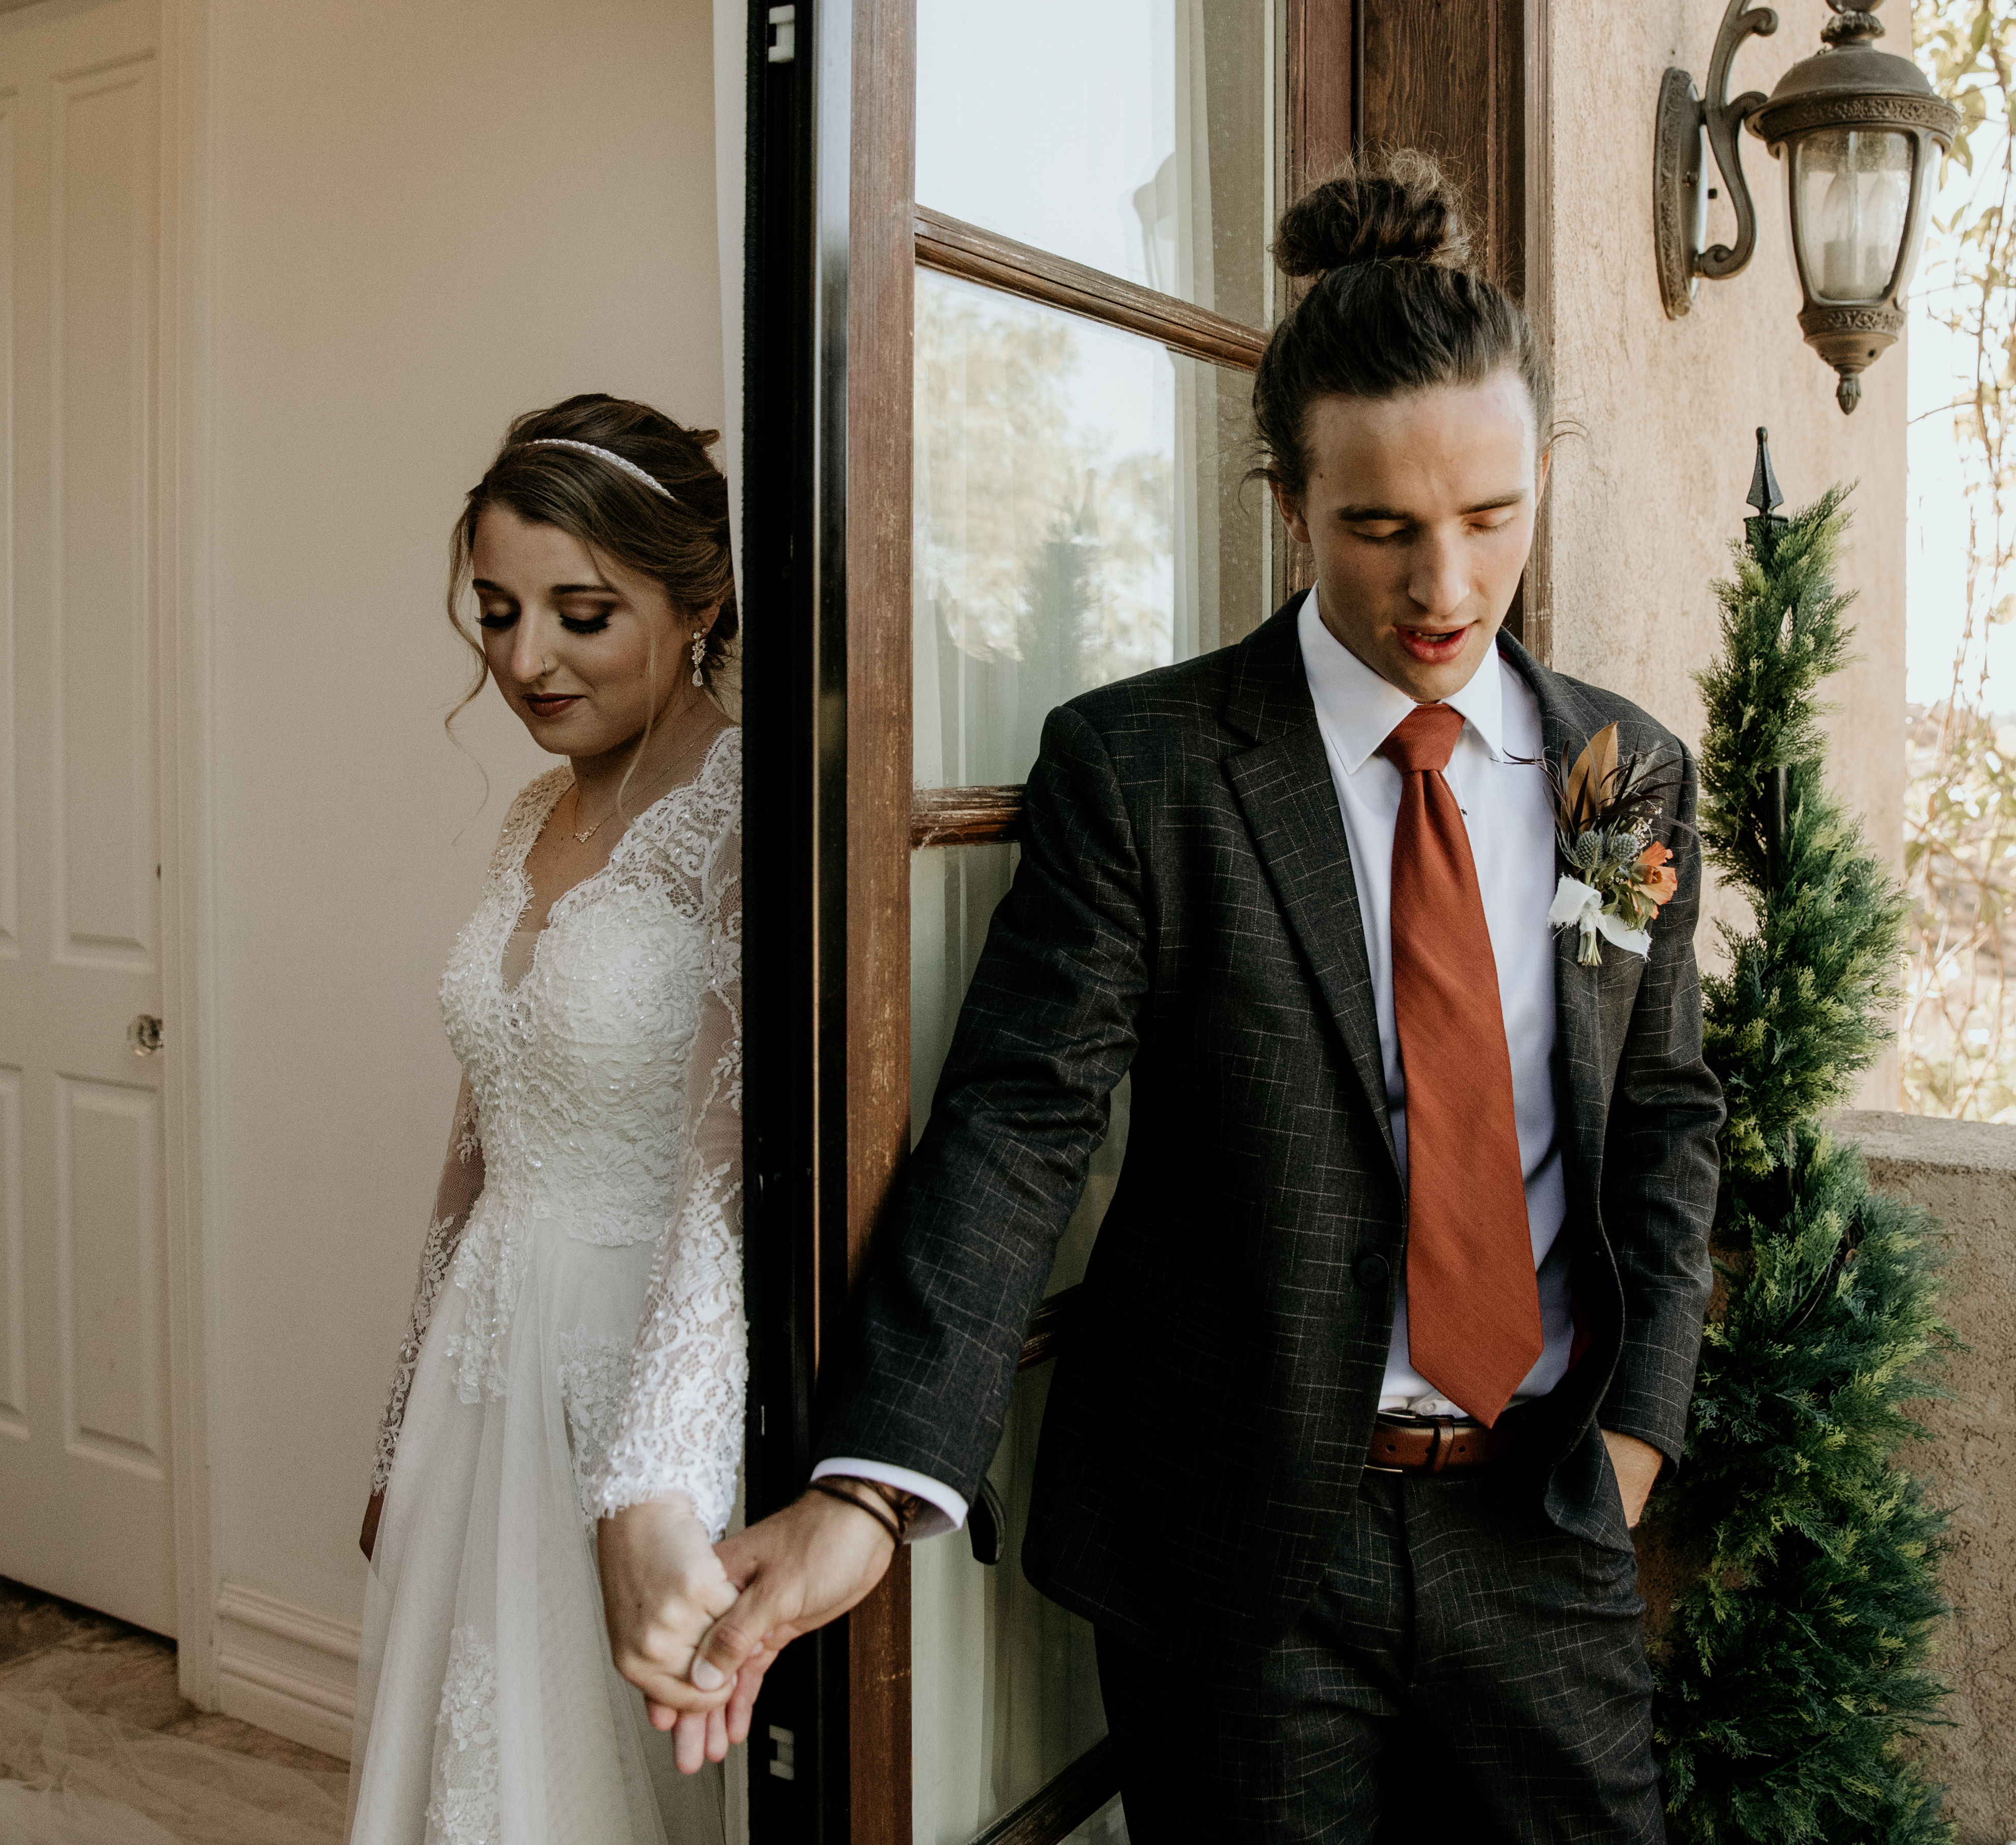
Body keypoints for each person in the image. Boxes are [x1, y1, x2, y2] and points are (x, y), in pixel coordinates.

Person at [678, 155, 1725, 1839]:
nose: (1445, 589)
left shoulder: (1629, 771)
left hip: (1540, 1524)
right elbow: (1019, 1127)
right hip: (1238, 1556)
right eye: (1380, 528)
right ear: (1287, 501)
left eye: (1490, 518)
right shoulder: (1144, 767)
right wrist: (870, 1487)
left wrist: (1637, 1439)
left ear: (1542, 473)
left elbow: (1662, 1122)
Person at [347, 395, 756, 1845]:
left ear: (698, 601)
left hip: (637, 1370)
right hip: (484, 1355)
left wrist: (660, 1478)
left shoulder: (746, 813)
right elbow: (478, 1145)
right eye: (498, 611)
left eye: (582, 615)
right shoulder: (534, 813)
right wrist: (401, 1429)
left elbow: (727, 1186)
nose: (526, 660)